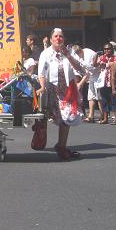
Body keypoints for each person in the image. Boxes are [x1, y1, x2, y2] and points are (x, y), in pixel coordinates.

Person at [36, 28, 84, 160]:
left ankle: (61, 145)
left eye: (61, 36)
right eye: (56, 36)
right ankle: (43, 140)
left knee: (67, 117)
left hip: (67, 91)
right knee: (47, 116)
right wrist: (42, 86)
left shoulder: (69, 52)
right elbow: (42, 72)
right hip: (51, 90)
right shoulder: (46, 54)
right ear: (51, 39)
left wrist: (68, 55)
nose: (58, 39)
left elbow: (80, 68)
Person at [72, 45, 100, 123]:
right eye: (76, 53)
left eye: (78, 52)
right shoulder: (77, 55)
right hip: (90, 76)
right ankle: (91, 116)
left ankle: (103, 116)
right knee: (90, 97)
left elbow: (89, 70)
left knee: (99, 97)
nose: (78, 54)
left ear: (81, 50)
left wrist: (81, 83)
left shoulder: (88, 53)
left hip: (98, 75)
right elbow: (80, 68)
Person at [95, 43, 116, 124]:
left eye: (108, 49)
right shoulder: (101, 57)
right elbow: (94, 65)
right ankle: (105, 118)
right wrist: (96, 57)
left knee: (114, 101)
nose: (107, 50)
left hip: (112, 83)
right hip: (103, 83)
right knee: (104, 101)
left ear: (112, 49)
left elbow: (114, 66)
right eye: (105, 49)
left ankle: (115, 119)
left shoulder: (115, 58)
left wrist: (105, 64)